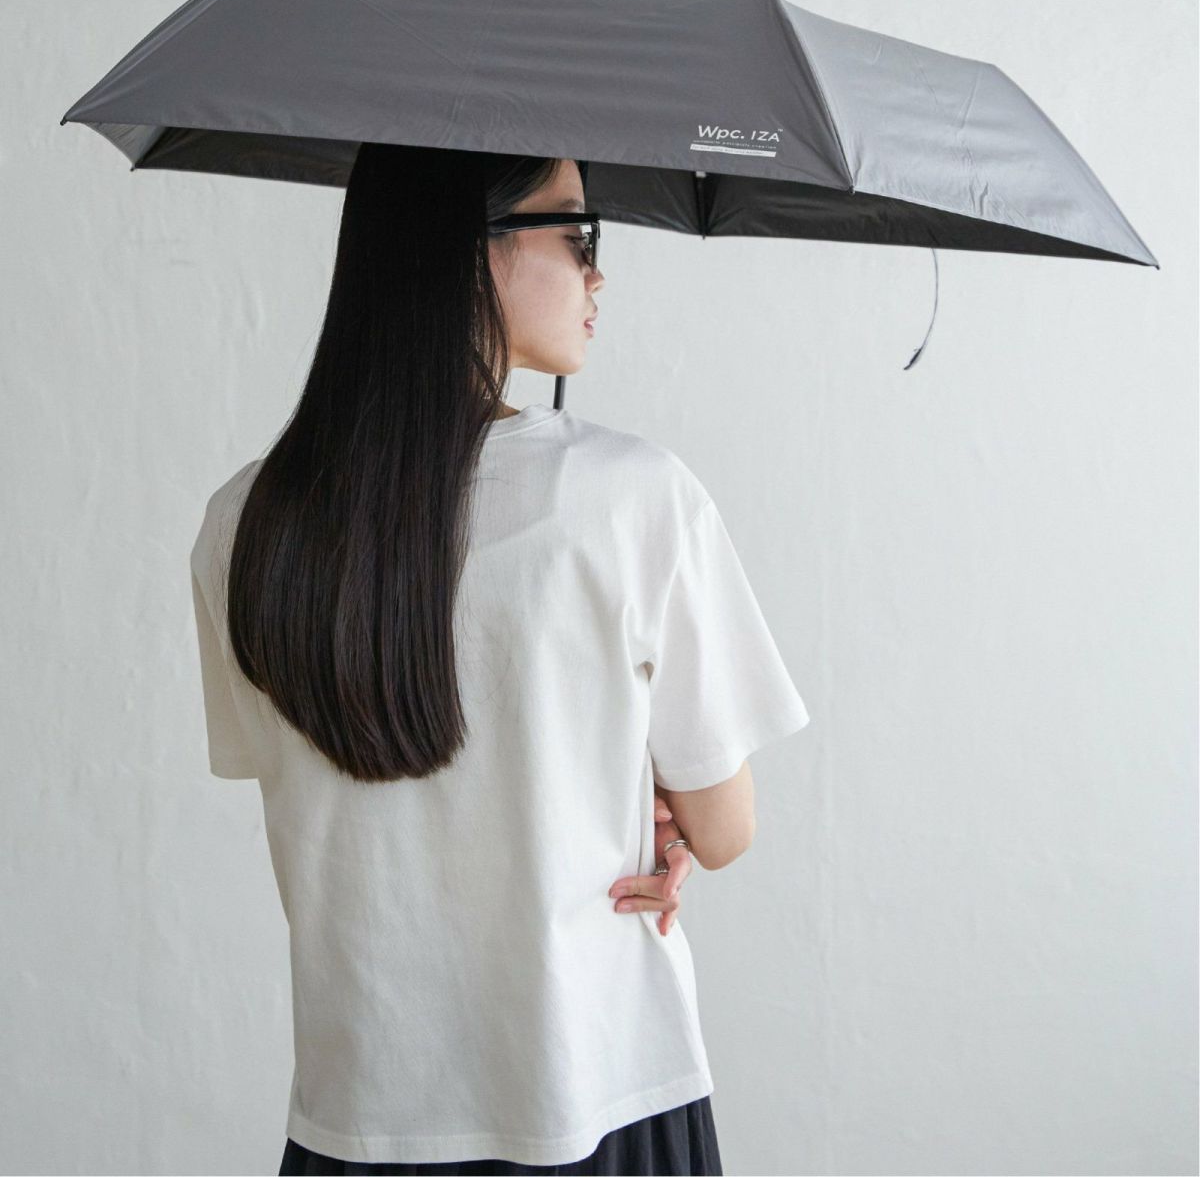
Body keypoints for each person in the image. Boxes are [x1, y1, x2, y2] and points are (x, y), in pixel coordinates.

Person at [188, 142, 811, 1176]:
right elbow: (726, 827)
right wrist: (650, 807)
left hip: (359, 1117)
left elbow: (339, 786)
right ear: (470, 250)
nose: (599, 273)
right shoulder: (632, 497)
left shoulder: (243, 524)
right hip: (596, 1094)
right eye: (578, 233)